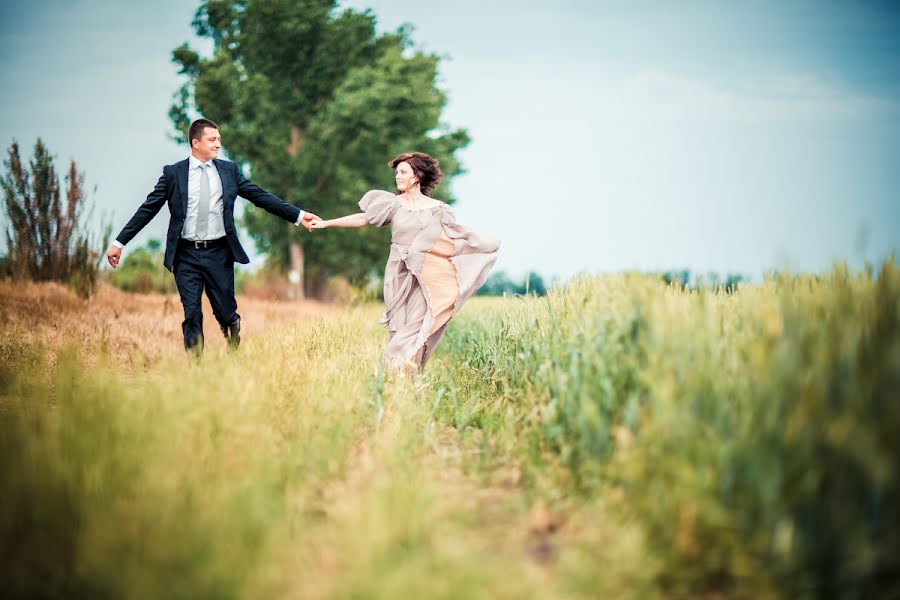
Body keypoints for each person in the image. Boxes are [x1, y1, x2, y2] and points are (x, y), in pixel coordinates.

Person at [105, 118, 319, 355]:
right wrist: (119, 242)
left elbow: (261, 197)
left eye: (219, 139)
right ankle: (197, 373)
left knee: (227, 313)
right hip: (185, 255)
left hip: (219, 252)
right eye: (212, 139)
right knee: (192, 313)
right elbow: (148, 209)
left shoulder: (229, 171)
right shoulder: (173, 174)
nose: (218, 144)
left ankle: (233, 351)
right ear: (195, 143)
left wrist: (298, 216)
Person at [310, 152, 499, 371]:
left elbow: (451, 239)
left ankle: (405, 374)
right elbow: (363, 218)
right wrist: (326, 223)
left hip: (424, 276)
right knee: (398, 327)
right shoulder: (392, 204)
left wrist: (480, 242)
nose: (397, 177)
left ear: (417, 177)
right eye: (397, 172)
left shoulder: (438, 210)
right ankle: (403, 383)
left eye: (403, 172)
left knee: (418, 326)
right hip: (397, 274)